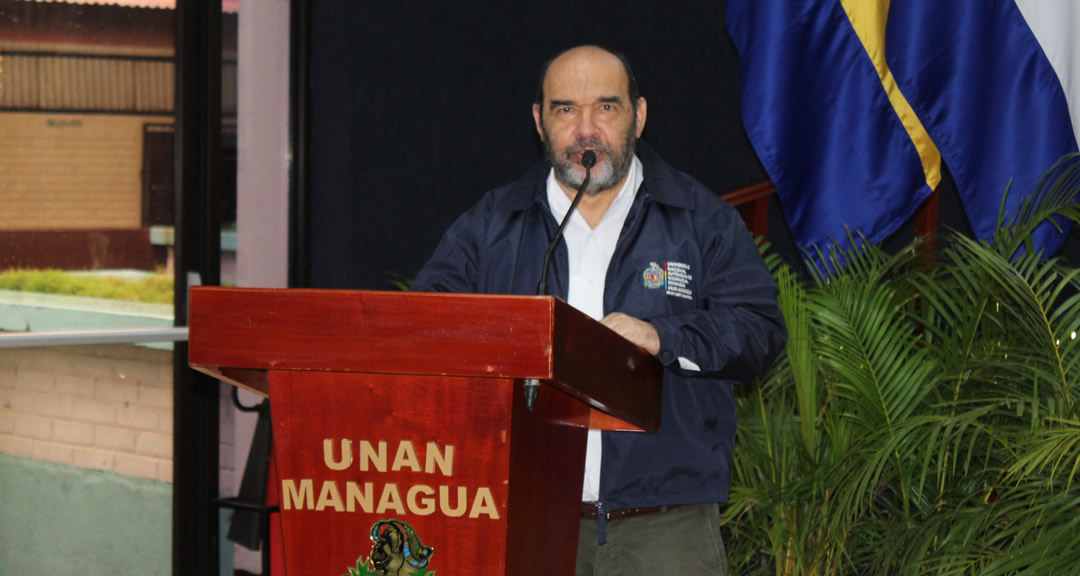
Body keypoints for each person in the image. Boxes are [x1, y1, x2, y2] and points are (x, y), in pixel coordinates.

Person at [410, 45, 787, 575]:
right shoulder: (494, 223)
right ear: (540, 122)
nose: (586, 129)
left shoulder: (699, 218)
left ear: (639, 115)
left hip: (664, 525)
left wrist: (664, 337)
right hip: (524, 517)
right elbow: (422, 329)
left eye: (606, 107)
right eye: (566, 109)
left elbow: (759, 331)